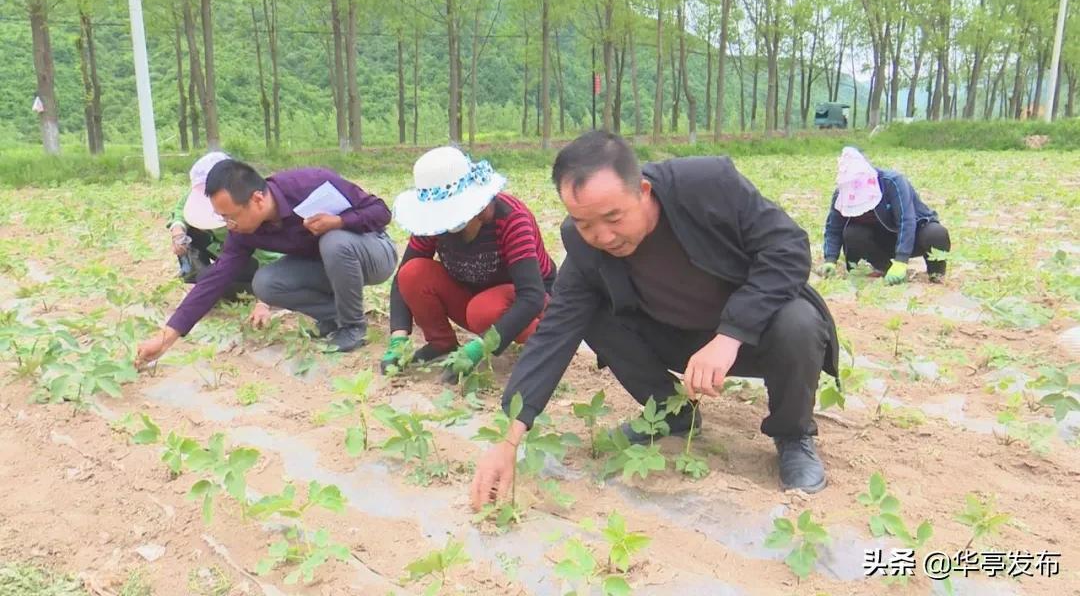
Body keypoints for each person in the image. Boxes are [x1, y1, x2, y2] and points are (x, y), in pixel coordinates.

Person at [470, 131, 840, 509]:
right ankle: (672, 413)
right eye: (584, 223)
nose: (603, 236)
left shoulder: (707, 184)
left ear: (642, 190)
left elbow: (788, 249)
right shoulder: (584, 244)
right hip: (673, 339)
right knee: (590, 314)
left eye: (613, 217)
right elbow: (555, 332)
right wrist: (509, 439)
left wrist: (731, 335)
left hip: (753, 336)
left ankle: (793, 436)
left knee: (799, 321)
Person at [135, 159, 397, 366]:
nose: (228, 225)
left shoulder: (309, 183)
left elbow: (382, 211)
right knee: (266, 283)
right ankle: (334, 317)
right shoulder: (243, 232)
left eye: (230, 216)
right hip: (325, 268)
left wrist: (339, 222)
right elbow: (215, 280)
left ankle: (353, 327)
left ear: (257, 200)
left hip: (373, 253)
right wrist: (165, 338)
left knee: (334, 242)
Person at [380, 147, 556, 381]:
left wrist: (480, 348)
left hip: (529, 303)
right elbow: (404, 277)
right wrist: (398, 339)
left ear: (478, 209)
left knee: (482, 310)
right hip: (473, 294)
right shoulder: (433, 224)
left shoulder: (511, 219)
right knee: (413, 273)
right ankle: (441, 342)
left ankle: (544, 341)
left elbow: (532, 296)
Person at [167, 152, 281, 320]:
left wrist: (263, 301)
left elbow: (272, 260)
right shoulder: (197, 192)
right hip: (225, 255)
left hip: (251, 261)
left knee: (213, 282)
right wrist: (178, 231)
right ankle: (197, 283)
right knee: (203, 273)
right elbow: (180, 212)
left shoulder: (248, 215)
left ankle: (254, 290)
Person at [819, 147, 951, 284]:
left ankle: (936, 274)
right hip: (880, 242)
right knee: (852, 233)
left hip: (912, 237)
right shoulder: (842, 194)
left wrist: (901, 260)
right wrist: (830, 260)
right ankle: (885, 269)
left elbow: (906, 220)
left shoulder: (893, 182)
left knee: (936, 233)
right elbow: (834, 228)